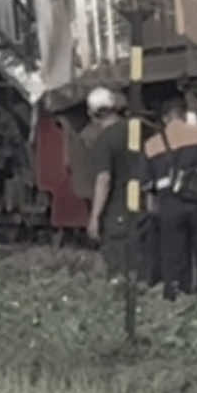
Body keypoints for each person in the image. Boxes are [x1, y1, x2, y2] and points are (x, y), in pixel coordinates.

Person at [144, 97, 197, 300]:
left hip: (170, 206)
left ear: (165, 119)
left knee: (174, 255)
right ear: (183, 114)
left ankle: (176, 296)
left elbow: (146, 182)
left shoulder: (152, 144)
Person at [84, 88, 135, 280]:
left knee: (118, 265)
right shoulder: (135, 130)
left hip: (117, 210)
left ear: (93, 114)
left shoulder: (104, 141)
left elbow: (104, 179)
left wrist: (95, 216)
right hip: (142, 205)